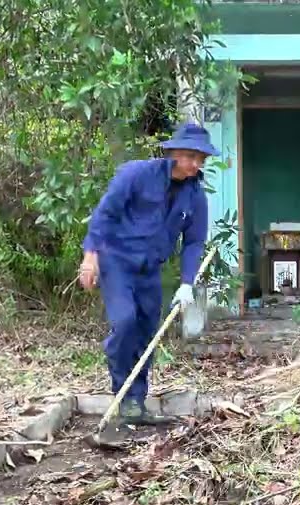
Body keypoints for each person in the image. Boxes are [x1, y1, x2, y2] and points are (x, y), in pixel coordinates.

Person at [78, 122, 217, 426]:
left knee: (147, 334)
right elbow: (105, 214)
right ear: (175, 152)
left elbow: (194, 242)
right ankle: (120, 385)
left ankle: (135, 402)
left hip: (150, 269)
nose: (195, 164)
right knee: (125, 322)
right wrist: (90, 258)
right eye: (191, 156)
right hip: (116, 261)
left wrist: (186, 284)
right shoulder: (136, 175)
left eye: (201, 159)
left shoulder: (195, 197)